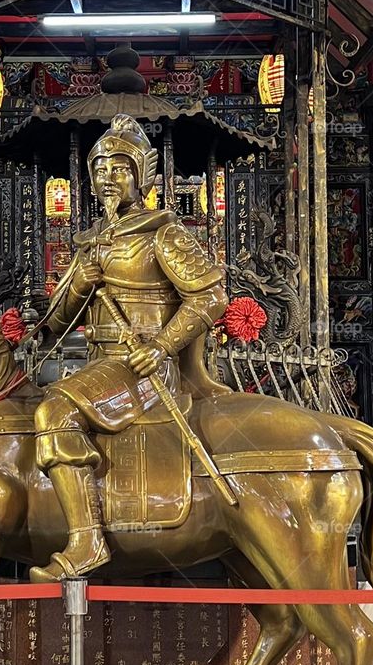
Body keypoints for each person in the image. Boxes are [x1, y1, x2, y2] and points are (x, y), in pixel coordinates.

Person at [31, 115, 228, 583]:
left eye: (119, 167)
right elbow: (56, 323)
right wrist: (79, 282)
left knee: (53, 413)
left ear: (142, 176)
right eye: (99, 168)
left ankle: (87, 540)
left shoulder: (163, 233)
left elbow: (211, 297)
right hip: (97, 365)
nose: (107, 177)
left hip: (141, 370)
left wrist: (161, 346)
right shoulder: (90, 242)